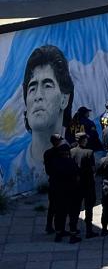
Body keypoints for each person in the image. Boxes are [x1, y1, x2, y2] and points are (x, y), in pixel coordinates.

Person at [15, 45, 74, 187]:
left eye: (47, 86)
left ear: (64, 99)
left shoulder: (74, 155)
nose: (38, 96)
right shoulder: (14, 168)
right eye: (32, 88)